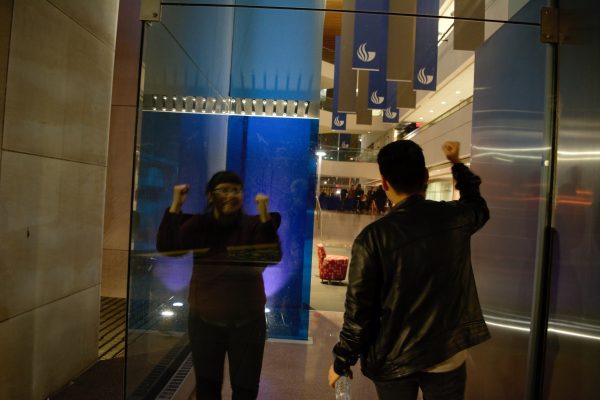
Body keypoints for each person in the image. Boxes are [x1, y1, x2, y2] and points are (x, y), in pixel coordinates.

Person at [328, 141, 490, 400]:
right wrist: (457, 164)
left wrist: (342, 360)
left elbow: (359, 311)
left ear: (384, 183)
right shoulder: (455, 218)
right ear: (425, 177)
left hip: (393, 357)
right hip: (446, 352)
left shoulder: (372, 238)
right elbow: (478, 205)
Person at [157, 171, 282, 400]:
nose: (230, 195)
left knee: (245, 390)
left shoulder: (253, 225)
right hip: (204, 323)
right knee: (207, 389)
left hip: (248, 323)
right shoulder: (200, 225)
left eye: (235, 190)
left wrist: (265, 216)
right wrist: (175, 205)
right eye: (224, 189)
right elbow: (168, 247)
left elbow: (271, 256)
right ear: (210, 196)